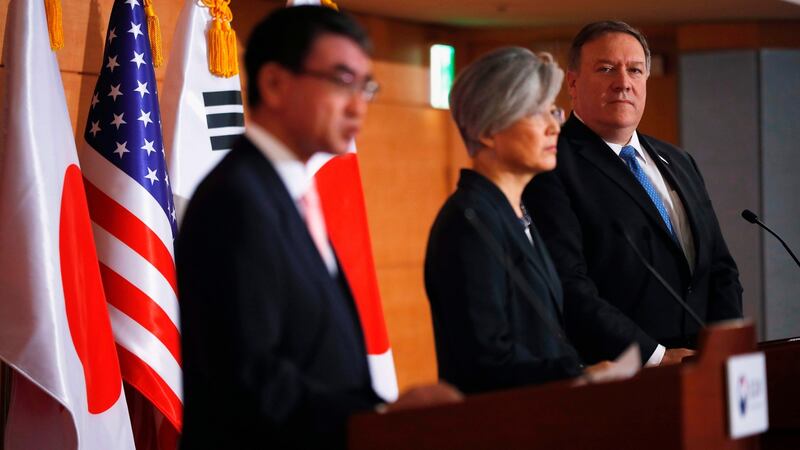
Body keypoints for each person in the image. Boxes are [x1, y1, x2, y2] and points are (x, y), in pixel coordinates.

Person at [176, 6, 460, 449]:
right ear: (274, 84)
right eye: (342, 82)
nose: (358, 105)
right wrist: (377, 417)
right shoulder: (236, 200)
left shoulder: (287, 193)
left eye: (366, 86)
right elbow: (249, 376)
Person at [523, 21, 743, 367]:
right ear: (573, 82)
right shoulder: (550, 163)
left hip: (705, 367)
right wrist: (656, 357)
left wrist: (722, 347)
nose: (623, 82)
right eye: (606, 69)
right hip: (623, 374)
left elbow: (720, 268)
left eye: (635, 70)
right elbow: (569, 285)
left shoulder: (680, 160)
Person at [425, 47, 613, 395]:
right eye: (536, 113)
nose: (554, 126)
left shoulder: (516, 212)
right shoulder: (469, 224)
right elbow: (484, 362)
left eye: (553, 111)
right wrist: (576, 375)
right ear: (487, 130)